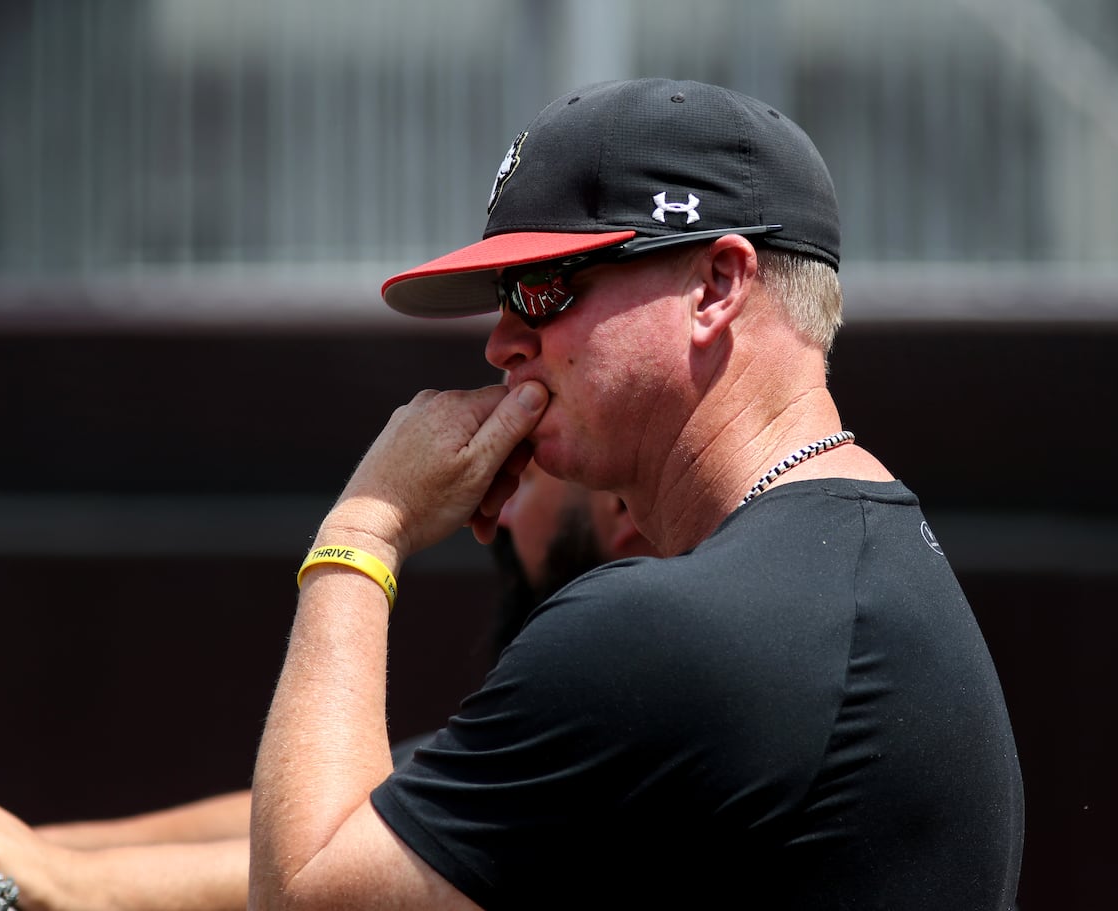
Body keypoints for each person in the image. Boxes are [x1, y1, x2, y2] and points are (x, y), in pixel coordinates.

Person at [248, 77, 1025, 910]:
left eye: (542, 286)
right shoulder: (875, 559)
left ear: (716, 286)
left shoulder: (678, 630)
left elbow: (301, 894)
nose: (502, 343)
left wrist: (368, 524)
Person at [0, 469, 654, 911]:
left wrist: (366, 525)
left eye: (529, 474)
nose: (499, 506)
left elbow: (343, 875)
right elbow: (397, 793)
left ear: (621, 508)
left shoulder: (633, 654)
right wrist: (31, 847)